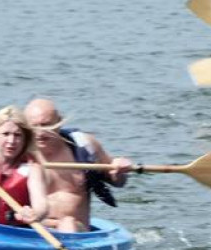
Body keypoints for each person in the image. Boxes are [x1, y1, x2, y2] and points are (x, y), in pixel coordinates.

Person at [23, 98, 133, 233]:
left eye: (46, 125)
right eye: (34, 126)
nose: (40, 133)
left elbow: (118, 181)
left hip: (76, 230)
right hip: (32, 230)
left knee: (67, 223)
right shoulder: (18, 151)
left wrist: (119, 170)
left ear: (59, 122)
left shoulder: (85, 145)